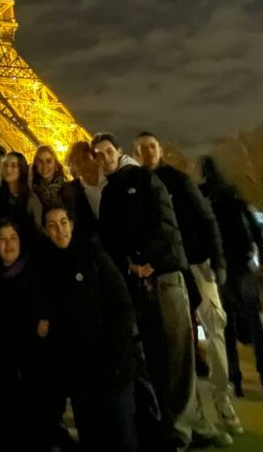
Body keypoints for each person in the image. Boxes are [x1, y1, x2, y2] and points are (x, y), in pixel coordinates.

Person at [94, 135, 195, 451]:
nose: (104, 158)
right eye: (98, 155)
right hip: (137, 281)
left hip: (163, 276)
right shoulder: (110, 192)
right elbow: (110, 240)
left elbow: (165, 224)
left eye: (108, 152)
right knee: (155, 359)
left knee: (176, 359)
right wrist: (130, 265)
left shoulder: (145, 179)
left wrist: (146, 260)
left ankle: (179, 432)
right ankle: (164, 427)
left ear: (119, 152)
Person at [135, 133, 240, 435]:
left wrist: (218, 262)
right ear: (136, 153)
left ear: (160, 149)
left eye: (152, 146)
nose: (148, 151)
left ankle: (222, 398)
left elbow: (207, 220)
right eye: (143, 148)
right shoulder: (138, 185)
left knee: (214, 328)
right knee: (179, 346)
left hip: (195, 264)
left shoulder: (179, 181)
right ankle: (194, 412)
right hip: (167, 270)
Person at [41, 206, 138, 450]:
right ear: (45, 231)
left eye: (63, 222)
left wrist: (116, 355)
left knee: (121, 434)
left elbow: (122, 305)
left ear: (72, 224)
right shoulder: (48, 267)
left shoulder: (94, 256)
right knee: (91, 435)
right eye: (52, 225)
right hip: (79, 373)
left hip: (111, 367)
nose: (59, 230)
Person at [198, 156, 263, 403]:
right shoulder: (232, 194)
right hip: (242, 262)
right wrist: (262, 256)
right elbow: (252, 226)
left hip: (219, 267)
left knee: (225, 326)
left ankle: (234, 379)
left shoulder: (202, 197)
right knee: (255, 323)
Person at [0, 220, 51, 452]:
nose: (7, 244)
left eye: (13, 238)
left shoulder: (34, 278)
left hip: (29, 372)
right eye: (2, 238)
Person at [30, 144, 68, 214]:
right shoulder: (32, 191)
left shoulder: (68, 190)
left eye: (48, 161)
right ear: (36, 165)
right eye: (40, 161)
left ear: (56, 165)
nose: (44, 166)